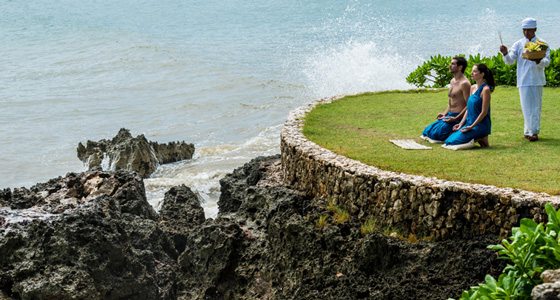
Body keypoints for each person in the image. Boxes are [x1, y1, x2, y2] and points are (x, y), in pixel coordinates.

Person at [500, 17, 551, 142]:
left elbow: (547, 62)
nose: (526, 33)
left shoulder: (542, 44)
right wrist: (505, 53)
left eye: (529, 30)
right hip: (523, 79)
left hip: (537, 79)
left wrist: (537, 59)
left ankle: (534, 132)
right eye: (524, 30)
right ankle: (527, 131)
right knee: (526, 106)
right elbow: (510, 61)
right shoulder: (518, 44)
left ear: (535, 29)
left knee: (535, 106)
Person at [443, 63, 495, 149]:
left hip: (480, 125)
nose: (471, 73)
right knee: (449, 140)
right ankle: (482, 139)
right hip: (469, 123)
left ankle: (482, 136)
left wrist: (471, 126)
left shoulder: (485, 90)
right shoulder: (472, 87)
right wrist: (460, 124)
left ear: (482, 74)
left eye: (474, 71)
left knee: (454, 142)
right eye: (472, 71)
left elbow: (484, 112)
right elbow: (468, 108)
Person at [420, 57, 471, 143]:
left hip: (458, 117)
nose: (450, 66)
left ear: (460, 67)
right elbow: (451, 101)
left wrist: (455, 118)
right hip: (449, 115)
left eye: (453, 64)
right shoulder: (452, 81)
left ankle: (457, 130)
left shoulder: (464, 83)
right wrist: (444, 113)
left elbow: (469, 105)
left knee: (436, 135)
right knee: (427, 131)